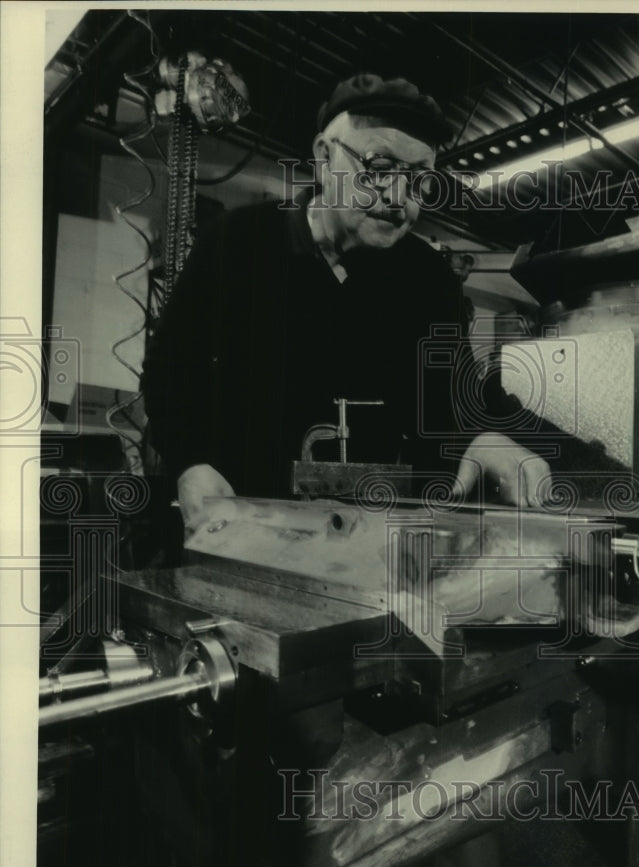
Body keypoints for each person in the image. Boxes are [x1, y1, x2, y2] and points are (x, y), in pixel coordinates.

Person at [142, 73, 552, 534]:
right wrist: (191, 463)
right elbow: (168, 374)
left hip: (369, 545)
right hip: (241, 531)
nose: (399, 200)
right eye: (378, 167)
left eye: (419, 180)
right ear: (324, 157)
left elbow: (446, 407)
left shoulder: (429, 279)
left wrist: (482, 440)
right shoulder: (237, 243)